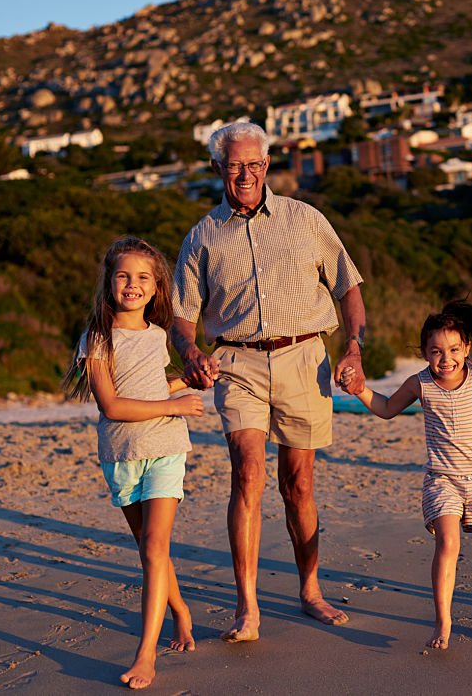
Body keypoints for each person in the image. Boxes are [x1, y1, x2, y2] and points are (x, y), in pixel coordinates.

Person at [171, 122, 366, 642]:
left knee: (298, 485)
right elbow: (182, 314)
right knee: (248, 475)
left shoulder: (306, 220)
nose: (246, 174)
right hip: (237, 365)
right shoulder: (201, 237)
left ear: (267, 165)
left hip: (305, 359)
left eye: (254, 164)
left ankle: (310, 590)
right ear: (218, 170)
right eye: (235, 165)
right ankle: (247, 608)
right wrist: (189, 350)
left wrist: (354, 347)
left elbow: (348, 284)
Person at [341, 301, 472, 650]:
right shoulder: (420, 383)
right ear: (424, 353)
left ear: (465, 348)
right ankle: (443, 622)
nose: (445, 359)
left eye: (452, 350)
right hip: (442, 479)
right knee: (448, 543)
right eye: (435, 351)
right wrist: (360, 390)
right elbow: (387, 408)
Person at [62, 236, 203, 689]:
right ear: (108, 281)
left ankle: (146, 655)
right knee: (150, 548)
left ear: (157, 287)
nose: (132, 284)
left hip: (165, 448)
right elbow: (113, 406)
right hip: (121, 455)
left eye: (143, 277)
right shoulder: (97, 339)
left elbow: (150, 384)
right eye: (123, 275)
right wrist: (176, 404)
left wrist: (190, 376)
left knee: (153, 549)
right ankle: (181, 609)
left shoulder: (159, 335)